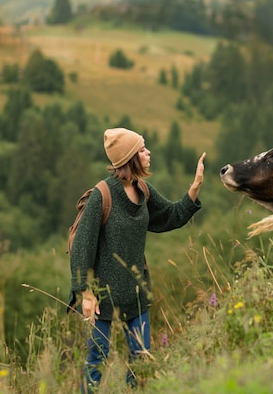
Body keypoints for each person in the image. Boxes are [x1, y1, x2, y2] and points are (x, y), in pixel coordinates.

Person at [68, 127, 205, 392]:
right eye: (142, 150)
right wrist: (85, 292)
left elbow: (171, 216)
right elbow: (81, 247)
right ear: (131, 157)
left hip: (136, 293)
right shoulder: (102, 196)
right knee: (96, 361)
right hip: (101, 297)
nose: (148, 152)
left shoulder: (143, 190)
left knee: (141, 361)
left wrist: (195, 187)